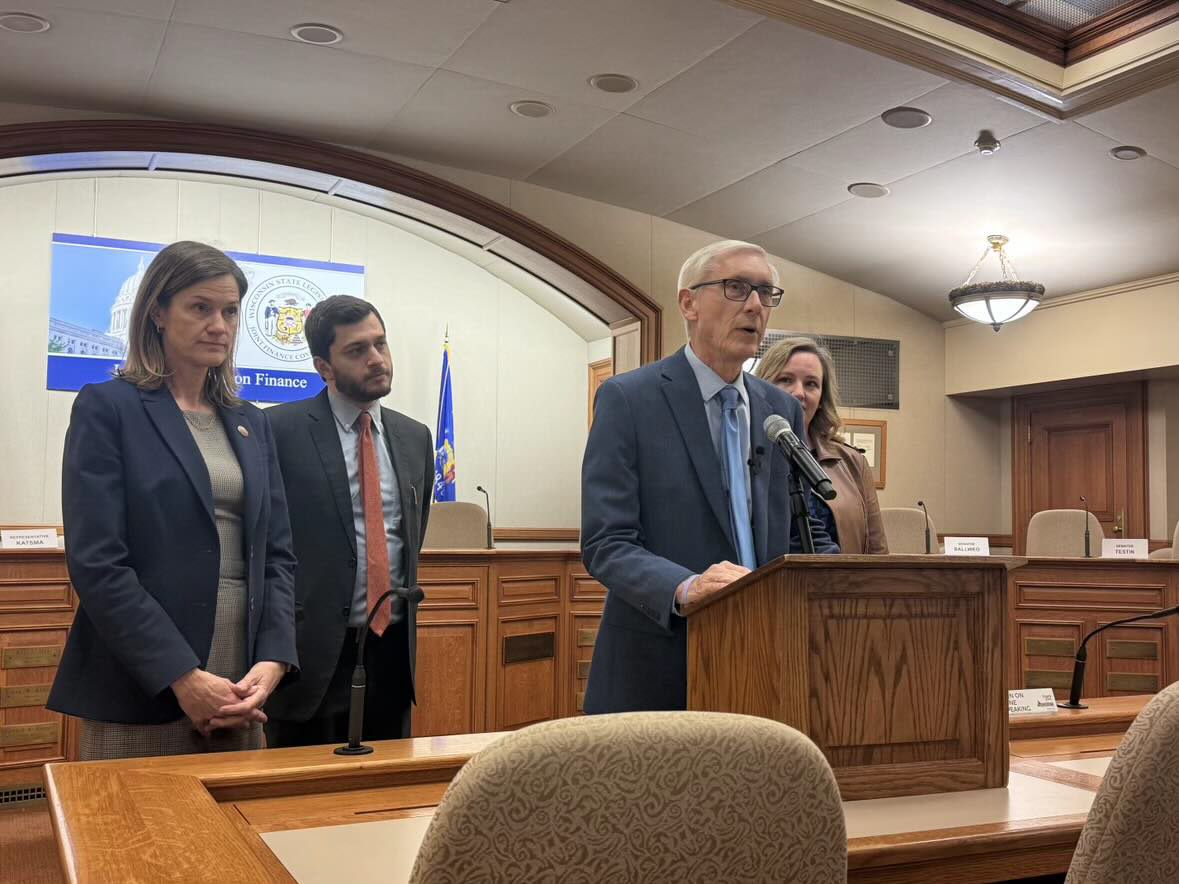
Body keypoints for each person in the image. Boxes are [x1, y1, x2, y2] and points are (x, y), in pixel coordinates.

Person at [48, 241, 298, 760]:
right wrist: (181, 676)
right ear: (158, 312)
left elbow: (278, 556)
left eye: (230, 311)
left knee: (234, 837)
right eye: (200, 308)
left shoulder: (252, 422)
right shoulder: (108, 408)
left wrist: (273, 659)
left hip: (241, 680)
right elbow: (98, 563)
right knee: (133, 837)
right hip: (145, 680)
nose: (219, 325)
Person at [581, 240, 838, 714]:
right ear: (688, 303)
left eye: (766, 292)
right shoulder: (628, 399)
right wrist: (686, 587)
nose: (756, 305)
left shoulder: (779, 409)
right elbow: (606, 543)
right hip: (659, 660)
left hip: (764, 659)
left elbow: (804, 530)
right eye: (736, 288)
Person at [264, 296, 433, 746]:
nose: (377, 359)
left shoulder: (415, 438)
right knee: (301, 802)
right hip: (309, 658)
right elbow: (264, 547)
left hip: (392, 653)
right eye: (357, 350)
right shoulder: (278, 431)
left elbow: (410, 539)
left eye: (381, 344)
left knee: (385, 796)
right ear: (324, 365)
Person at [754, 337, 888, 555]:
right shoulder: (748, 454)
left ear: (822, 395)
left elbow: (877, 551)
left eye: (811, 384)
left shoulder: (852, 461)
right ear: (763, 386)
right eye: (786, 380)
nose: (799, 393)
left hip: (843, 584)